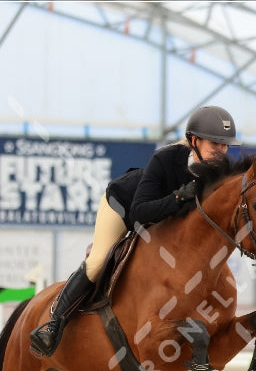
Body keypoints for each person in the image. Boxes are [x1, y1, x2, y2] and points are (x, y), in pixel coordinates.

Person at [29, 105, 241, 358]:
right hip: (123, 206)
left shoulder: (220, 175)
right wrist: (178, 197)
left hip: (163, 223)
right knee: (98, 261)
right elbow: (139, 213)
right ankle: (53, 324)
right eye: (215, 144)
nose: (221, 151)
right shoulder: (166, 159)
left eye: (225, 145)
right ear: (194, 141)